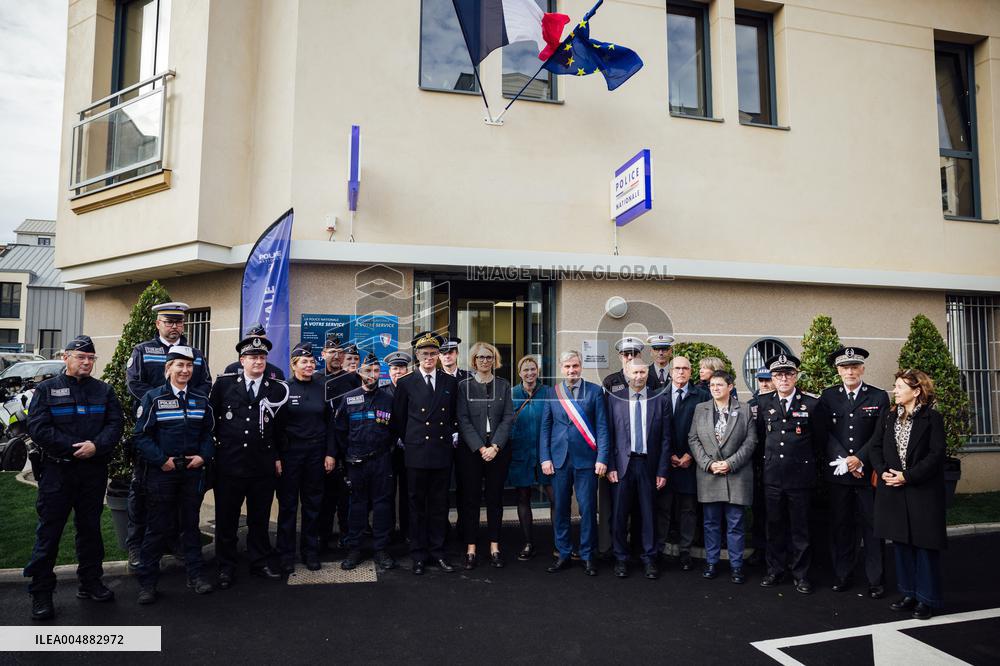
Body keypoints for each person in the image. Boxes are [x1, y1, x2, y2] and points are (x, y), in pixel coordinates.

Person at [24, 336, 124, 621]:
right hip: (58, 472)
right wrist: (73, 447)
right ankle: (41, 592)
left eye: (91, 358)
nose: (87, 362)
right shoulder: (46, 389)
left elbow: (115, 424)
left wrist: (96, 446)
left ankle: (90, 582)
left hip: (92, 472)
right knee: (49, 533)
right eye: (81, 357)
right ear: (65, 357)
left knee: (90, 530)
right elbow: (38, 427)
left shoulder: (104, 390)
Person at [125, 301, 211, 569]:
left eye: (179, 322)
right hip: (153, 430)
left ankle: (175, 542)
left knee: (181, 495)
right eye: (169, 322)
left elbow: (205, 384)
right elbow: (133, 383)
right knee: (142, 491)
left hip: (184, 430)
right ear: (158, 324)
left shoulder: (195, 353)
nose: (174, 326)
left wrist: (185, 400)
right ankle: (136, 545)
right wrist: (161, 401)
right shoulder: (143, 350)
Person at [132, 345, 215, 603]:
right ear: (168, 368)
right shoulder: (153, 398)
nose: (185, 370)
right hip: (162, 473)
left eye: (189, 365)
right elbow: (141, 436)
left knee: (190, 526)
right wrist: (162, 460)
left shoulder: (201, 400)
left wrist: (203, 456)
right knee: (157, 528)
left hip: (191, 473)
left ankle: (196, 576)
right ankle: (148, 584)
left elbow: (208, 434)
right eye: (179, 365)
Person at [209, 334, 289, 588]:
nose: (258, 361)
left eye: (262, 357)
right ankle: (226, 566)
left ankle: (259, 561)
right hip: (229, 464)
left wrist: (277, 457)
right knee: (227, 519)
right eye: (253, 357)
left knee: (259, 517)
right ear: (242, 360)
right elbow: (211, 422)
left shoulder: (276, 388)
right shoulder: (224, 385)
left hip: (261, 465)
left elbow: (280, 429)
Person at [870, 369, 947, 620]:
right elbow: (875, 447)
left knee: (924, 546)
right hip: (892, 489)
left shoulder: (932, 418)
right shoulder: (888, 416)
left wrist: (908, 476)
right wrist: (882, 472)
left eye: (900, 387)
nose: (895, 391)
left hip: (921, 491)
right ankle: (909, 593)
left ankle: (927, 599)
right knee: (902, 543)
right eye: (895, 386)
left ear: (916, 391)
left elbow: (936, 455)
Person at [820, 346, 890, 598]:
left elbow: (880, 434)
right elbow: (825, 433)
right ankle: (843, 574)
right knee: (841, 526)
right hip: (839, 475)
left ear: (862, 368)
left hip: (867, 474)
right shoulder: (828, 396)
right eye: (844, 367)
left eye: (854, 367)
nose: (849, 371)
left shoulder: (878, 397)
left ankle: (875, 579)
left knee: (872, 528)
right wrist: (845, 460)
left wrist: (859, 459)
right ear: (838, 370)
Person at [755, 353, 827, 594]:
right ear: (772, 378)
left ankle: (801, 574)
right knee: (774, 526)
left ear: (796, 376)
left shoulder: (812, 404)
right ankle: (775, 570)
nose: (783, 379)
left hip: (800, 477)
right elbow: (760, 439)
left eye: (788, 374)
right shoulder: (763, 403)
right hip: (772, 477)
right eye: (778, 375)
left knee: (800, 529)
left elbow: (820, 441)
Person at [390, 332, 459, 575]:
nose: (429, 358)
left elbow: (454, 415)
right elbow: (399, 419)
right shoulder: (406, 382)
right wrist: (411, 441)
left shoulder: (450, 382)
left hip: (441, 452)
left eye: (433, 353)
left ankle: (438, 552)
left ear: (439, 355)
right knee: (416, 506)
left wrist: (452, 434)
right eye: (424, 354)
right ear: (417, 356)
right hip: (417, 452)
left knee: (439, 505)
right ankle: (418, 555)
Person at [540, 349, 610, 576]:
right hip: (559, 460)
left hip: (587, 460)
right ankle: (563, 553)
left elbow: (602, 427)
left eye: (575, 366)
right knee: (561, 508)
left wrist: (602, 458)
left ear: (581, 366)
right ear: (562, 368)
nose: (572, 370)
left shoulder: (595, 391)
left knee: (587, 509)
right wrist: (545, 457)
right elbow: (546, 427)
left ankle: (588, 555)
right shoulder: (552, 392)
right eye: (568, 366)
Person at [689, 371, 757, 584]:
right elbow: (693, 439)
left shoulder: (744, 409)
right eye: (712, 385)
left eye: (719, 384)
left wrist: (730, 463)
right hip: (709, 475)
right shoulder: (700, 409)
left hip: (736, 474)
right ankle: (711, 562)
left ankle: (736, 566)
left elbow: (751, 441)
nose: (715, 388)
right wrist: (709, 464)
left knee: (735, 523)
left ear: (730, 387)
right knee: (711, 523)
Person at [607, 359, 670, 580]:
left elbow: (666, 439)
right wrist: (610, 466)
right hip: (621, 466)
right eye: (634, 372)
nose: (639, 376)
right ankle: (621, 558)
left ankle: (649, 558)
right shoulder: (614, 399)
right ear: (626, 373)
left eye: (642, 372)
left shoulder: (659, 400)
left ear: (647, 373)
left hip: (648, 465)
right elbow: (608, 434)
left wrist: (662, 470)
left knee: (648, 514)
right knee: (619, 514)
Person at [335, 353, 398, 572]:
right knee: (357, 506)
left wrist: (385, 451)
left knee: (382, 506)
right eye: (367, 371)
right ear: (360, 372)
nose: (371, 375)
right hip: (356, 462)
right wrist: (349, 455)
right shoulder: (348, 398)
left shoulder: (388, 399)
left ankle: (381, 549)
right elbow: (340, 431)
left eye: (375, 371)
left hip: (381, 461)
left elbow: (395, 430)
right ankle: (355, 549)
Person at [275, 342, 334, 573]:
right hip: (291, 454)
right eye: (304, 362)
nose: (309, 365)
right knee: (288, 506)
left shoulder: (322, 387)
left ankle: (310, 552)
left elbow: (330, 423)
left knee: (312, 505)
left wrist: (330, 453)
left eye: (311, 361)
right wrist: (277, 456)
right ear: (294, 365)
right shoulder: (284, 389)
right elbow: (276, 428)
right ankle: (286, 555)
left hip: (316, 453)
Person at [456, 342, 515, 569]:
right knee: (470, 500)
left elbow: (508, 417)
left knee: (494, 499)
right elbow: (463, 419)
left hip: (498, 451)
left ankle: (494, 547)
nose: (485, 360)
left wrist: (495, 446)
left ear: (494, 360)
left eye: (489, 357)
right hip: (472, 451)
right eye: (480, 357)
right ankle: (471, 548)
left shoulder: (504, 385)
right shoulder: (464, 386)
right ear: (474, 360)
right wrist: (481, 448)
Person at [658, 355, 708, 569]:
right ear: (670, 372)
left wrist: (690, 455)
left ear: (691, 372)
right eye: (677, 368)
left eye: (685, 368)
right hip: (665, 462)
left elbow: (707, 430)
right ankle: (659, 549)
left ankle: (685, 551)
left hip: (690, 461)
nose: (680, 372)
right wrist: (667, 455)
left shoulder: (702, 396)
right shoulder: (658, 395)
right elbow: (654, 429)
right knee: (663, 507)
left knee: (688, 509)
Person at [507, 355, 554, 560]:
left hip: (545, 454)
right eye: (525, 370)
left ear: (538, 371)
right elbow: (504, 422)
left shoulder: (548, 392)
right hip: (521, 452)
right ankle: (528, 542)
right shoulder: (511, 394)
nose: (530, 373)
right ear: (519, 373)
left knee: (555, 498)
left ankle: (559, 543)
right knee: (523, 497)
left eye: (533, 369)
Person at [318, 337, 361, 552]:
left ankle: (347, 535)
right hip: (322, 447)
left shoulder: (352, 380)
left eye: (340, 352)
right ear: (323, 354)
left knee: (346, 496)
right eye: (331, 352)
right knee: (324, 496)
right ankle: (323, 537)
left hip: (347, 446)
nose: (336, 356)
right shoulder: (316, 379)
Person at [746, 367, 774, 567]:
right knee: (758, 509)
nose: (764, 384)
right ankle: (759, 548)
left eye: (768, 380)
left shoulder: (781, 401)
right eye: (761, 380)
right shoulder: (751, 405)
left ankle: (775, 550)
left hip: (776, 462)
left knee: (776, 512)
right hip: (756, 464)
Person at [385, 350, 412, 540]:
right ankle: (388, 532)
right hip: (388, 450)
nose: (398, 372)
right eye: (395, 368)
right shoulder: (382, 392)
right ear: (389, 372)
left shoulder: (413, 390)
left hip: (409, 449)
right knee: (387, 493)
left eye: (402, 368)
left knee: (408, 492)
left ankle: (407, 531)